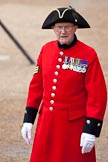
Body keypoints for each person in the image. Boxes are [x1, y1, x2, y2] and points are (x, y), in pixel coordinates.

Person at [21, 6, 107, 162]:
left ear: (75, 28)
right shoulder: (46, 50)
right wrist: (28, 119)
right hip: (47, 124)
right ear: (53, 28)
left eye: (67, 27)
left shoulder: (88, 54)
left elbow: (97, 94)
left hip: (73, 127)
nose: (63, 31)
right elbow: (36, 86)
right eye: (59, 27)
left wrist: (91, 129)